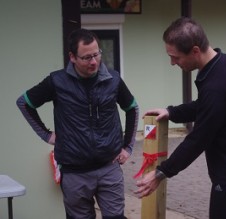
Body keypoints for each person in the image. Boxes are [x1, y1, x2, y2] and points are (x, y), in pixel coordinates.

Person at [135, 17, 226, 219]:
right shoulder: (224, 63)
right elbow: (206, 106)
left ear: (195, 51)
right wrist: (173, 112)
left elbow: (198, 139)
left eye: (176, 57)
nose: (172, 62)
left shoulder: (217, 85)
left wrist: (161, 173)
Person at [17, 28, 139, 219]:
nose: (94, 61)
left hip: (109, 167)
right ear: (72, 57)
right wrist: (46, 135)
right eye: (87, 57)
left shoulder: (113, 80)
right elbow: (24, 103)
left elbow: (132, 108)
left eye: (97, 54)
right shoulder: (57, 82)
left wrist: (128, 147)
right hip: (74, 173)